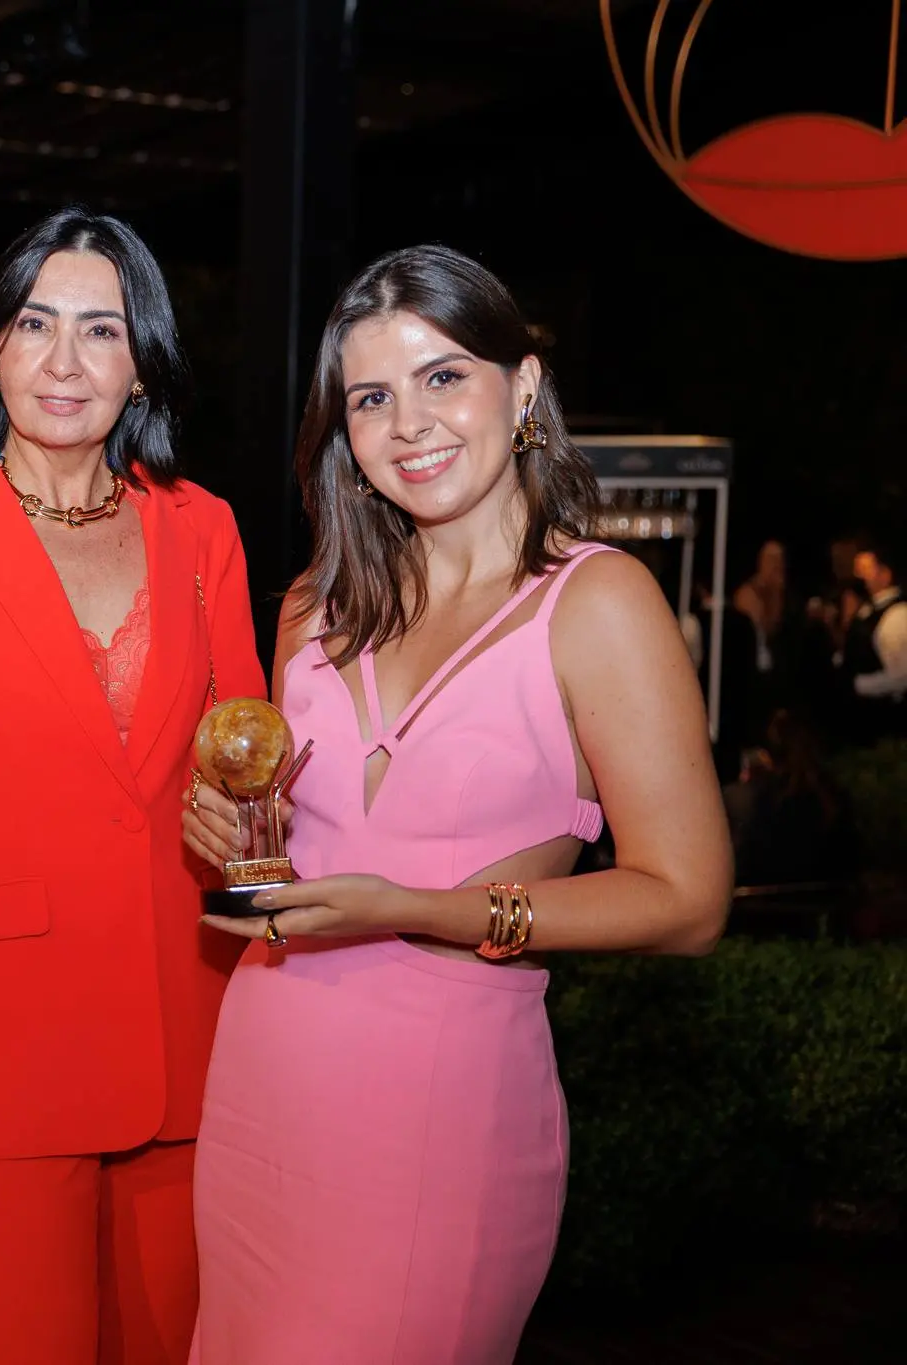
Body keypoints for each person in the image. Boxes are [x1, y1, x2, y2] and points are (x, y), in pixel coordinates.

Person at [183, 245, 732, 1364]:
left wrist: (423, 908)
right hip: (265, 1082)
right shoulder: (314, 607)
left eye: (442, 377)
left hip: (443, 1104)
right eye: (370, 398)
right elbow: (298, 854)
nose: (409, 424)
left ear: (522, 388)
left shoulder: (597, 603)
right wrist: (237, 834)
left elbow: (687, 901)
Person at [0, 208, 265, 1365]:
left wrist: (247, 825)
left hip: (192, 1035)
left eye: (100, 330)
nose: (64, 361)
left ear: (141, 365)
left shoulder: (203, 530)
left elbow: (246, 759)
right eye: (34, 325)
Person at [845, 537, 907, 739]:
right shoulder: (866, 610)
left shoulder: (896, 614)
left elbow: (901, 677)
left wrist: (857, 684)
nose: (859, 577)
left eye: (865, 569)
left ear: (885, 574)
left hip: (885, 723)